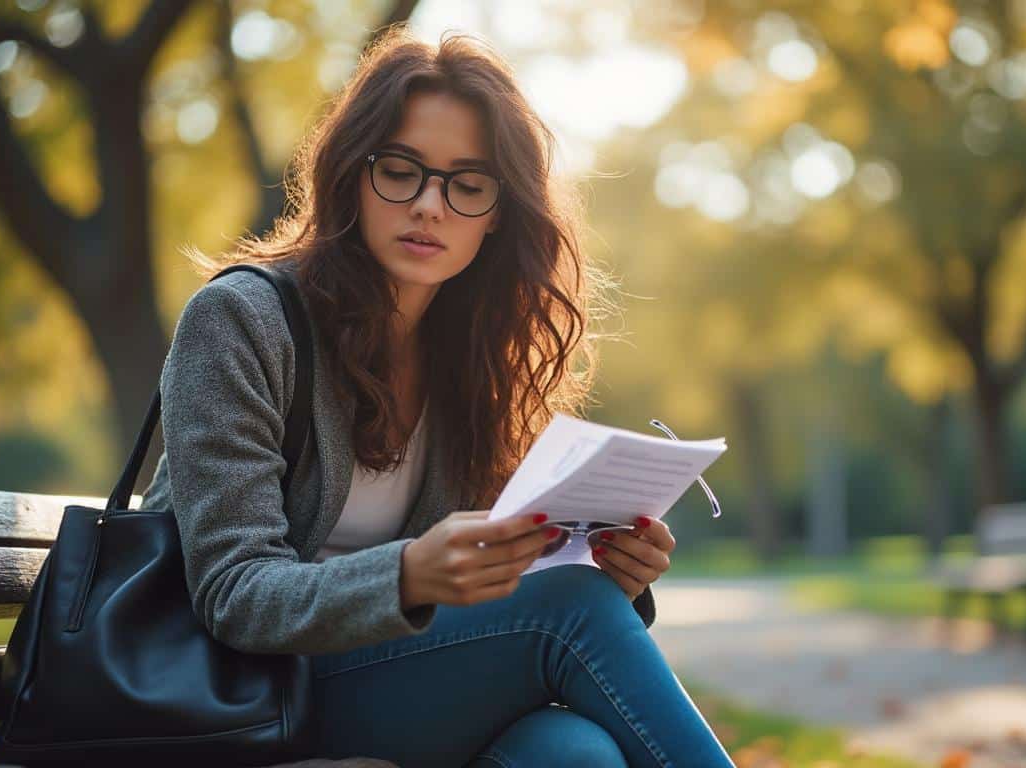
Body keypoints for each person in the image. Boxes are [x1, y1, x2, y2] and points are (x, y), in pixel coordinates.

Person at [138, 24, 736, 768]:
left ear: (497, 213)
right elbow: (234, 591)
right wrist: (409, 573)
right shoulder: (244, 321)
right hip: (243, 700)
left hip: (391, 680)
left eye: (467, 184)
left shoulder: (471, 361)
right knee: (569, 617)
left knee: (571, 753)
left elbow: (512, 591)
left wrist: (612, 570)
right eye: (401, 170)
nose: (429, 204)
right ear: (353, 173)